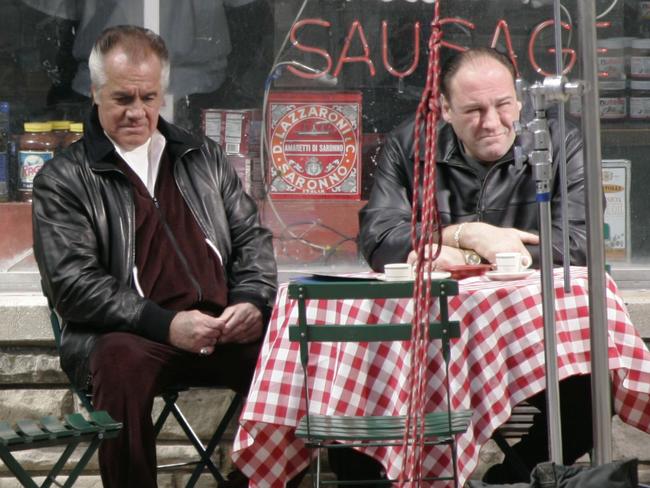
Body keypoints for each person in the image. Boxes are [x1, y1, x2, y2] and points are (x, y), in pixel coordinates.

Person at [32, 26, 277, 488]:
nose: (137, 112)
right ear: (95, 93)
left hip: (219, 326)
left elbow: (253, 241)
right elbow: (72, 285)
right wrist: (165, 324)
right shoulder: (63, 179)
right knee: (119, 362)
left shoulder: (202, 156)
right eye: (122, 98)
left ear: (163, 93)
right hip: (133, 333)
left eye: (149, 98)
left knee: (286, 354)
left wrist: (251, 300)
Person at [355, 47, 592, 484]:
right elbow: (378, 238)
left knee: (593, 390)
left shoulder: (560, 141)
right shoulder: (410, 144)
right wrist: (466, 232)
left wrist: (465, 253)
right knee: (355, 398)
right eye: (473, 110)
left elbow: (577, 246)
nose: (491, 122)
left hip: (532, 338)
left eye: (502, 105)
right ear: (445, 109)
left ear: (519, 99)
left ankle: (510, 478)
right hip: (424, 344)